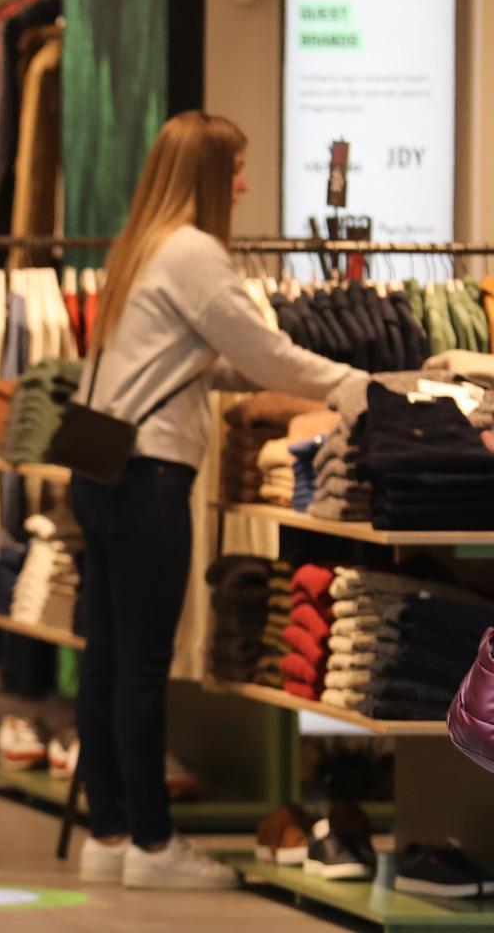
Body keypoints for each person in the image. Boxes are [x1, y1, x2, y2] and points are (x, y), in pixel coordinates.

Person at [70, 110, 367, 890]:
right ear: (206, 173)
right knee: (141, 665)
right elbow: (263, 351)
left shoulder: (141, 248)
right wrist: (352, 385)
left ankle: (109, 831)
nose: (243, 184)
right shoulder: (194, 252)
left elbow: (193, 361)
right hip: (150, 476)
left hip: (99, 467)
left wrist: (273, 377)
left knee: (106, 658)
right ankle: (154, 845)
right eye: (234, 168)